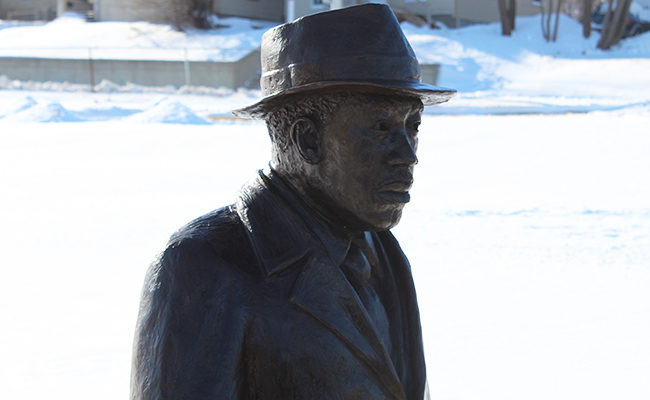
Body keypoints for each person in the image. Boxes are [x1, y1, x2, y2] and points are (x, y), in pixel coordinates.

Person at [130, 4, 454, 400]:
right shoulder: (204, 266)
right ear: (308, 140)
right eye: (381, 127)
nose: (408, 154)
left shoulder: (382, 253)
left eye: (412, 126)